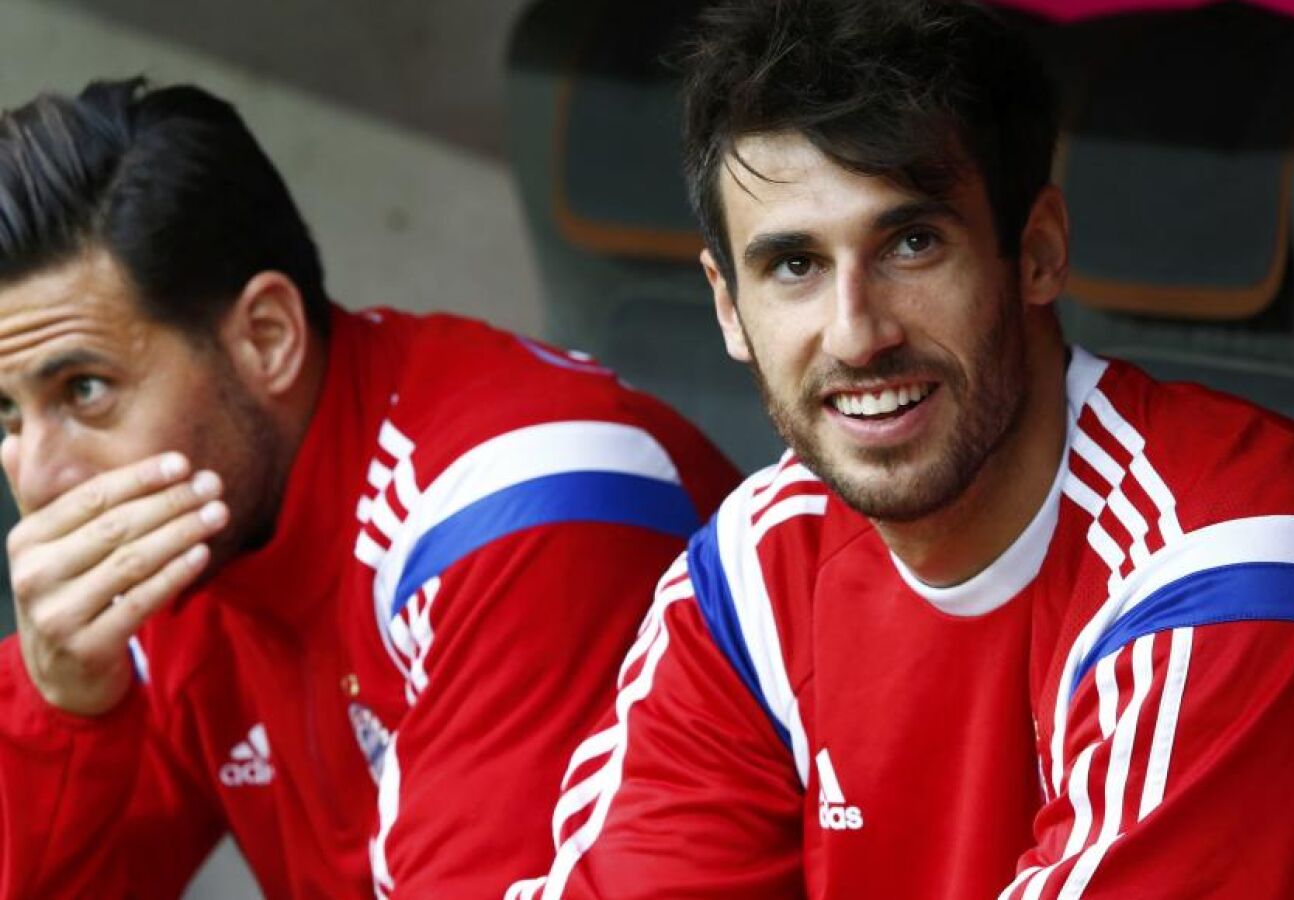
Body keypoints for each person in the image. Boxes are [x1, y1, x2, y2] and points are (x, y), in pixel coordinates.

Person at [517, 1, 1294, 897]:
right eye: (793, 265)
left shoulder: (1238, 572)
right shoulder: (755, 576)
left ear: (1037, 251)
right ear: (728, 306)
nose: (855, 332)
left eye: (912, 243)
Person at [0, 78, 739, 897]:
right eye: (7, 412)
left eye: (84, 390)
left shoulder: (518, 508)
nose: (36, 475)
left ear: (266, 339)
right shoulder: (181, 547)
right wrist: (61, 705)